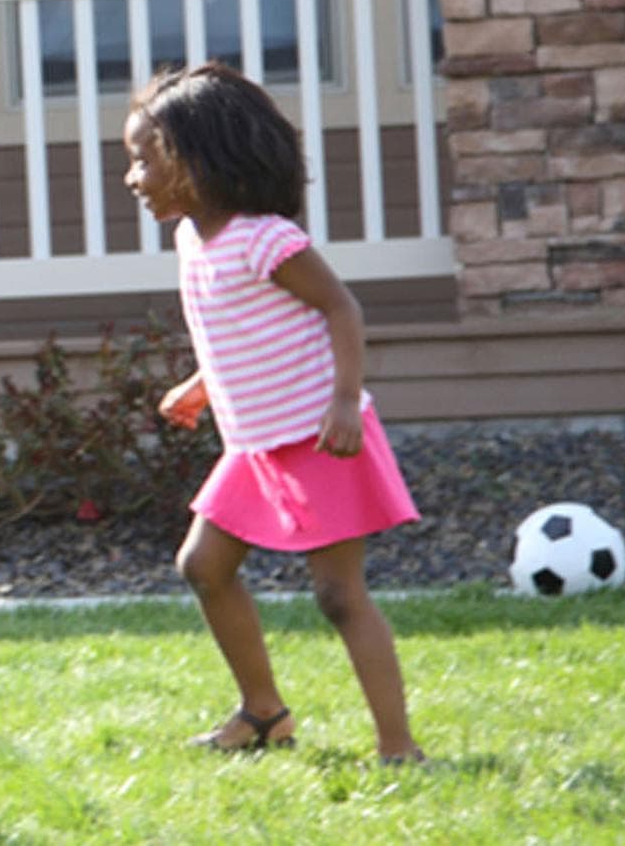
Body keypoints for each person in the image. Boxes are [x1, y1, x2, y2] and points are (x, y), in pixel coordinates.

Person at [122, 63, 427, 766]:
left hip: (318, 435)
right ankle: (263, 712)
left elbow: (339, 308)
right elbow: (243, 330)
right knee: (202, 564)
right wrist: (201, 384)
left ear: (196, 160)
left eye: (144, 159)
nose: (134, 178)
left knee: (337, 594)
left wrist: (344, 400)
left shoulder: (265, 238)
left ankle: (398, 747)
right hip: (255, 443)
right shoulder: (192, 242)